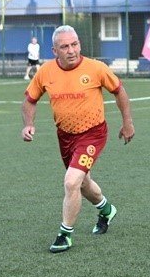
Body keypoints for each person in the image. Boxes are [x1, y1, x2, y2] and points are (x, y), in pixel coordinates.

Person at [21, 25, 134, 253]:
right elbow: (29, 100)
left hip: (93, 133)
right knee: (82, 184)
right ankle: (106, 209)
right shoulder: (46, 72)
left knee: (71, 181)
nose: (71, 50)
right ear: (55, 50)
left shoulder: (96, 68)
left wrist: (127, 123)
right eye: (65, 46)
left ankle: (65, 235)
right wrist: (28, 124)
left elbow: (119, 91)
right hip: (65, 136)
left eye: (74, 44)